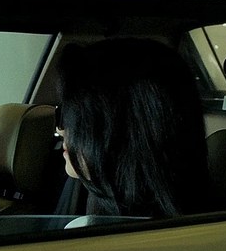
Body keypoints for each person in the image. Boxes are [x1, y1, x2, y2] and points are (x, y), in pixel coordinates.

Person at [53, 38, 211, 218]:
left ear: (125, 133)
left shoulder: (146, 229)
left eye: (77, 120)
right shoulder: (98, 198)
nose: (60, 129)